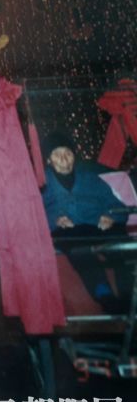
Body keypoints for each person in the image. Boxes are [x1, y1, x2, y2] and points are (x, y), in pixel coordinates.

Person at [41, 131, 131, 310]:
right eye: (57, 155)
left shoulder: (90, 177)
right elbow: (34, 214)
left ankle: (129, 298)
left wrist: (110, 216)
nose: (64, 159)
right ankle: (105, 298)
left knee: (121, 248)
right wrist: (55, 220)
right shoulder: (41, 182)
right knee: (81, 253)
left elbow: (116, 205)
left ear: (74, 156)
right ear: (48, 160)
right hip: (68, 231)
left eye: (68, 153)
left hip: (99, 226)